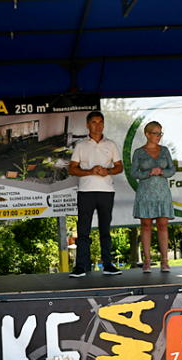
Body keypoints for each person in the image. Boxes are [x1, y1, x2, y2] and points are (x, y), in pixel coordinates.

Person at [68, 111, 124, 277]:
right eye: (94, 122)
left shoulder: (111, 144)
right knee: (83, 230)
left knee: (105, 229)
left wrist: (108, 171)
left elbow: (119, 167)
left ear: (103, 124)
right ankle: (80, 266)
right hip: (86, 192)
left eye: (100, 122)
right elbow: (72, 169)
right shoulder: (80, 145)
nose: (98, 125)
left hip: (106, 191)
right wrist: (90, 172)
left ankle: (107, 264)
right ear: (88, 125)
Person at [130, 121, 176, 273]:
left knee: (163, 225)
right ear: (147, 134)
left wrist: (162, 172)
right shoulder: (139, 152)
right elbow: (134, 173)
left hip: (162, 193)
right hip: (145, 193)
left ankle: (165, 261)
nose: (159, 136)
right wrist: (148, 173)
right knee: (146, 226)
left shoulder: (165, 150)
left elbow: (172, 169)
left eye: (160, 133)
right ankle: (147, 262)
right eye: (156, 133)